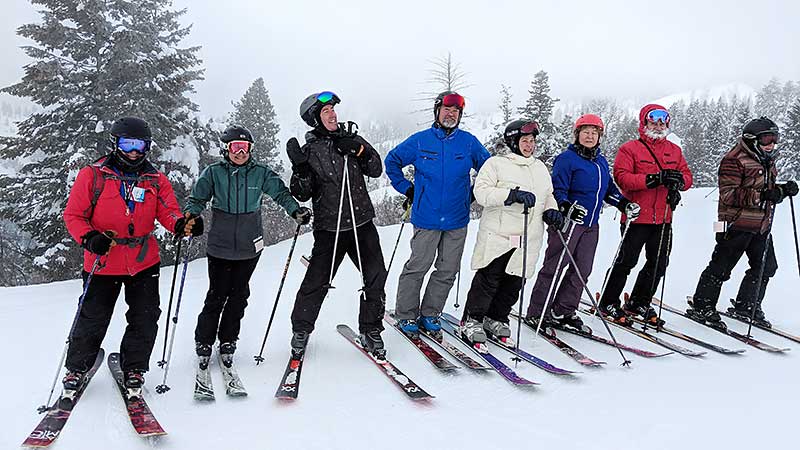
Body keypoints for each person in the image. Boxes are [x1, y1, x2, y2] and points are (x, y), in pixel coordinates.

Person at [62, 116, 201, 393]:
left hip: (143, 261)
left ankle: (134, 367)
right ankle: (77, 369)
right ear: (116, 144)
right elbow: (74, 215)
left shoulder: (155, 179)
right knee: (92, 316)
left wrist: (182, 224)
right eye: (128, 144)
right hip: (103, 261)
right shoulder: (93, 175)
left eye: (140, 144)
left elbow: (168, 211)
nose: (134, 151)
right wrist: (90, 238)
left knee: (145, 316)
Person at [184, 125, 310, 369]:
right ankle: (204, 341)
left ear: (250, 150)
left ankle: (228, 340)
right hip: (220, 245)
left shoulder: (260, 173)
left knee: (239, 294)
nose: (240, 152)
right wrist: (191, 216)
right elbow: (197, 199)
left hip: (249, 245)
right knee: (217, 294)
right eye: (235, 147)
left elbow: (281, 194)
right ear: (227, 149)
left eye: (245, 148)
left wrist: (296, 211)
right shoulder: (214, 173)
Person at [286, 91, 388, 358]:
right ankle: (301, 329)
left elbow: (376, 168)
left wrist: (359, 150)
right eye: (325, 111)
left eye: (333, 109)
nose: (332, 114)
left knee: (376, 275)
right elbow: (301, 193)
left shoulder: (351, 139)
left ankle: (371, 329)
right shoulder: (310, 151)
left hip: (361, 223)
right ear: (315, 119)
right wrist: (300, 169)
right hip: (329, 228)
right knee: (316, 281)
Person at [384, 91, 491, 337]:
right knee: (417, 266)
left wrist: (473, 193)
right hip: (426, 217)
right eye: (446, 109)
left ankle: (431, 313)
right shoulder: (421, 141)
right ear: (437, 111)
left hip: (457, 218)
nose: (451, 114)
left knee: (447, 269)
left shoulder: (468, 142)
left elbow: (489, 170)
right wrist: (408, 189)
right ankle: (406, 315)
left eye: (456, 111)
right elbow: (392, 161)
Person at [526, 114, 640, 333]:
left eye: (594, 133)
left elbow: (609, 190)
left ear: (599, 136)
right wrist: (567, 207)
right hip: (568, 223)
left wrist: (624, 204)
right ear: (577, 135)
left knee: (582, 269)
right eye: (585, 132)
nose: (590, 136)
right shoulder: (566, 159)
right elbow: (557, 190)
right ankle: (537, 312)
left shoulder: (601, 162)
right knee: (555, 267)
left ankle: (563, 310)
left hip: (590, 224)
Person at [688, 117, 797, 330]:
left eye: (774, 139)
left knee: (767, 267)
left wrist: (782, 190)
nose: (771, 144)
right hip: (733, 224)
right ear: (752, 139)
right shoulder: (734, 159)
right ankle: (702, 304)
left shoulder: (766, 159)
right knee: (721, 267)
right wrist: (765, 195)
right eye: (766, 139)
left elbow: (767, 189)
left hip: (761, 225)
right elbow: (728, 194)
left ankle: (747, 305)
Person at [459, 120, 562, 345]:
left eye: (532, 140)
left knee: (514, 281)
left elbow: (548, 195)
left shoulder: (540, 168)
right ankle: (472, 319)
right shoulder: (496, 164)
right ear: (513, 142)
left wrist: (552, 210)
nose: (529, 145)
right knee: (489, 278)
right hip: (499, 234)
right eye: (524, 140)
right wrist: (511, 195)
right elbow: (482, 192)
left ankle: (496, 317)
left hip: (528, 236)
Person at [597, 104, 692, 325]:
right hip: (637, 217)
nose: (658, 125)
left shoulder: (674, 150)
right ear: (644, 122)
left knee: (658, 262)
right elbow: (622, 178)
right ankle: (609, 301)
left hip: (663, 217)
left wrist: (679, 181)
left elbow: (687, 176)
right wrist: (653, 179)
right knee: (626, 261)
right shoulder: (630, 149)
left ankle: (640, 300)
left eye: (662, 121)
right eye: (653, 121)